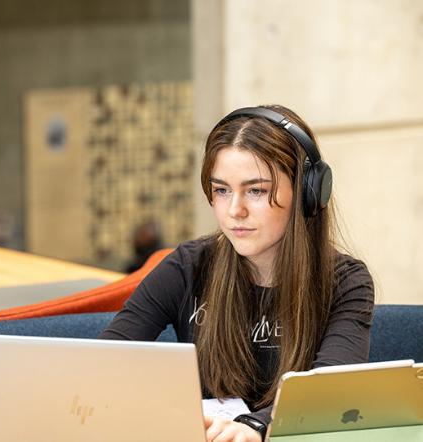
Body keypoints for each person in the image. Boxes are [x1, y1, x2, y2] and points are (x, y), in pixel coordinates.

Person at [99, 105, 375, 442]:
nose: (234, 211)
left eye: (256, 190)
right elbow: (106, 363)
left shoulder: (346, 282)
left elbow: (329, 390)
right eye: (221, 190)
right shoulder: (186, 267)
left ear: (306, 193)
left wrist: (255, 426)